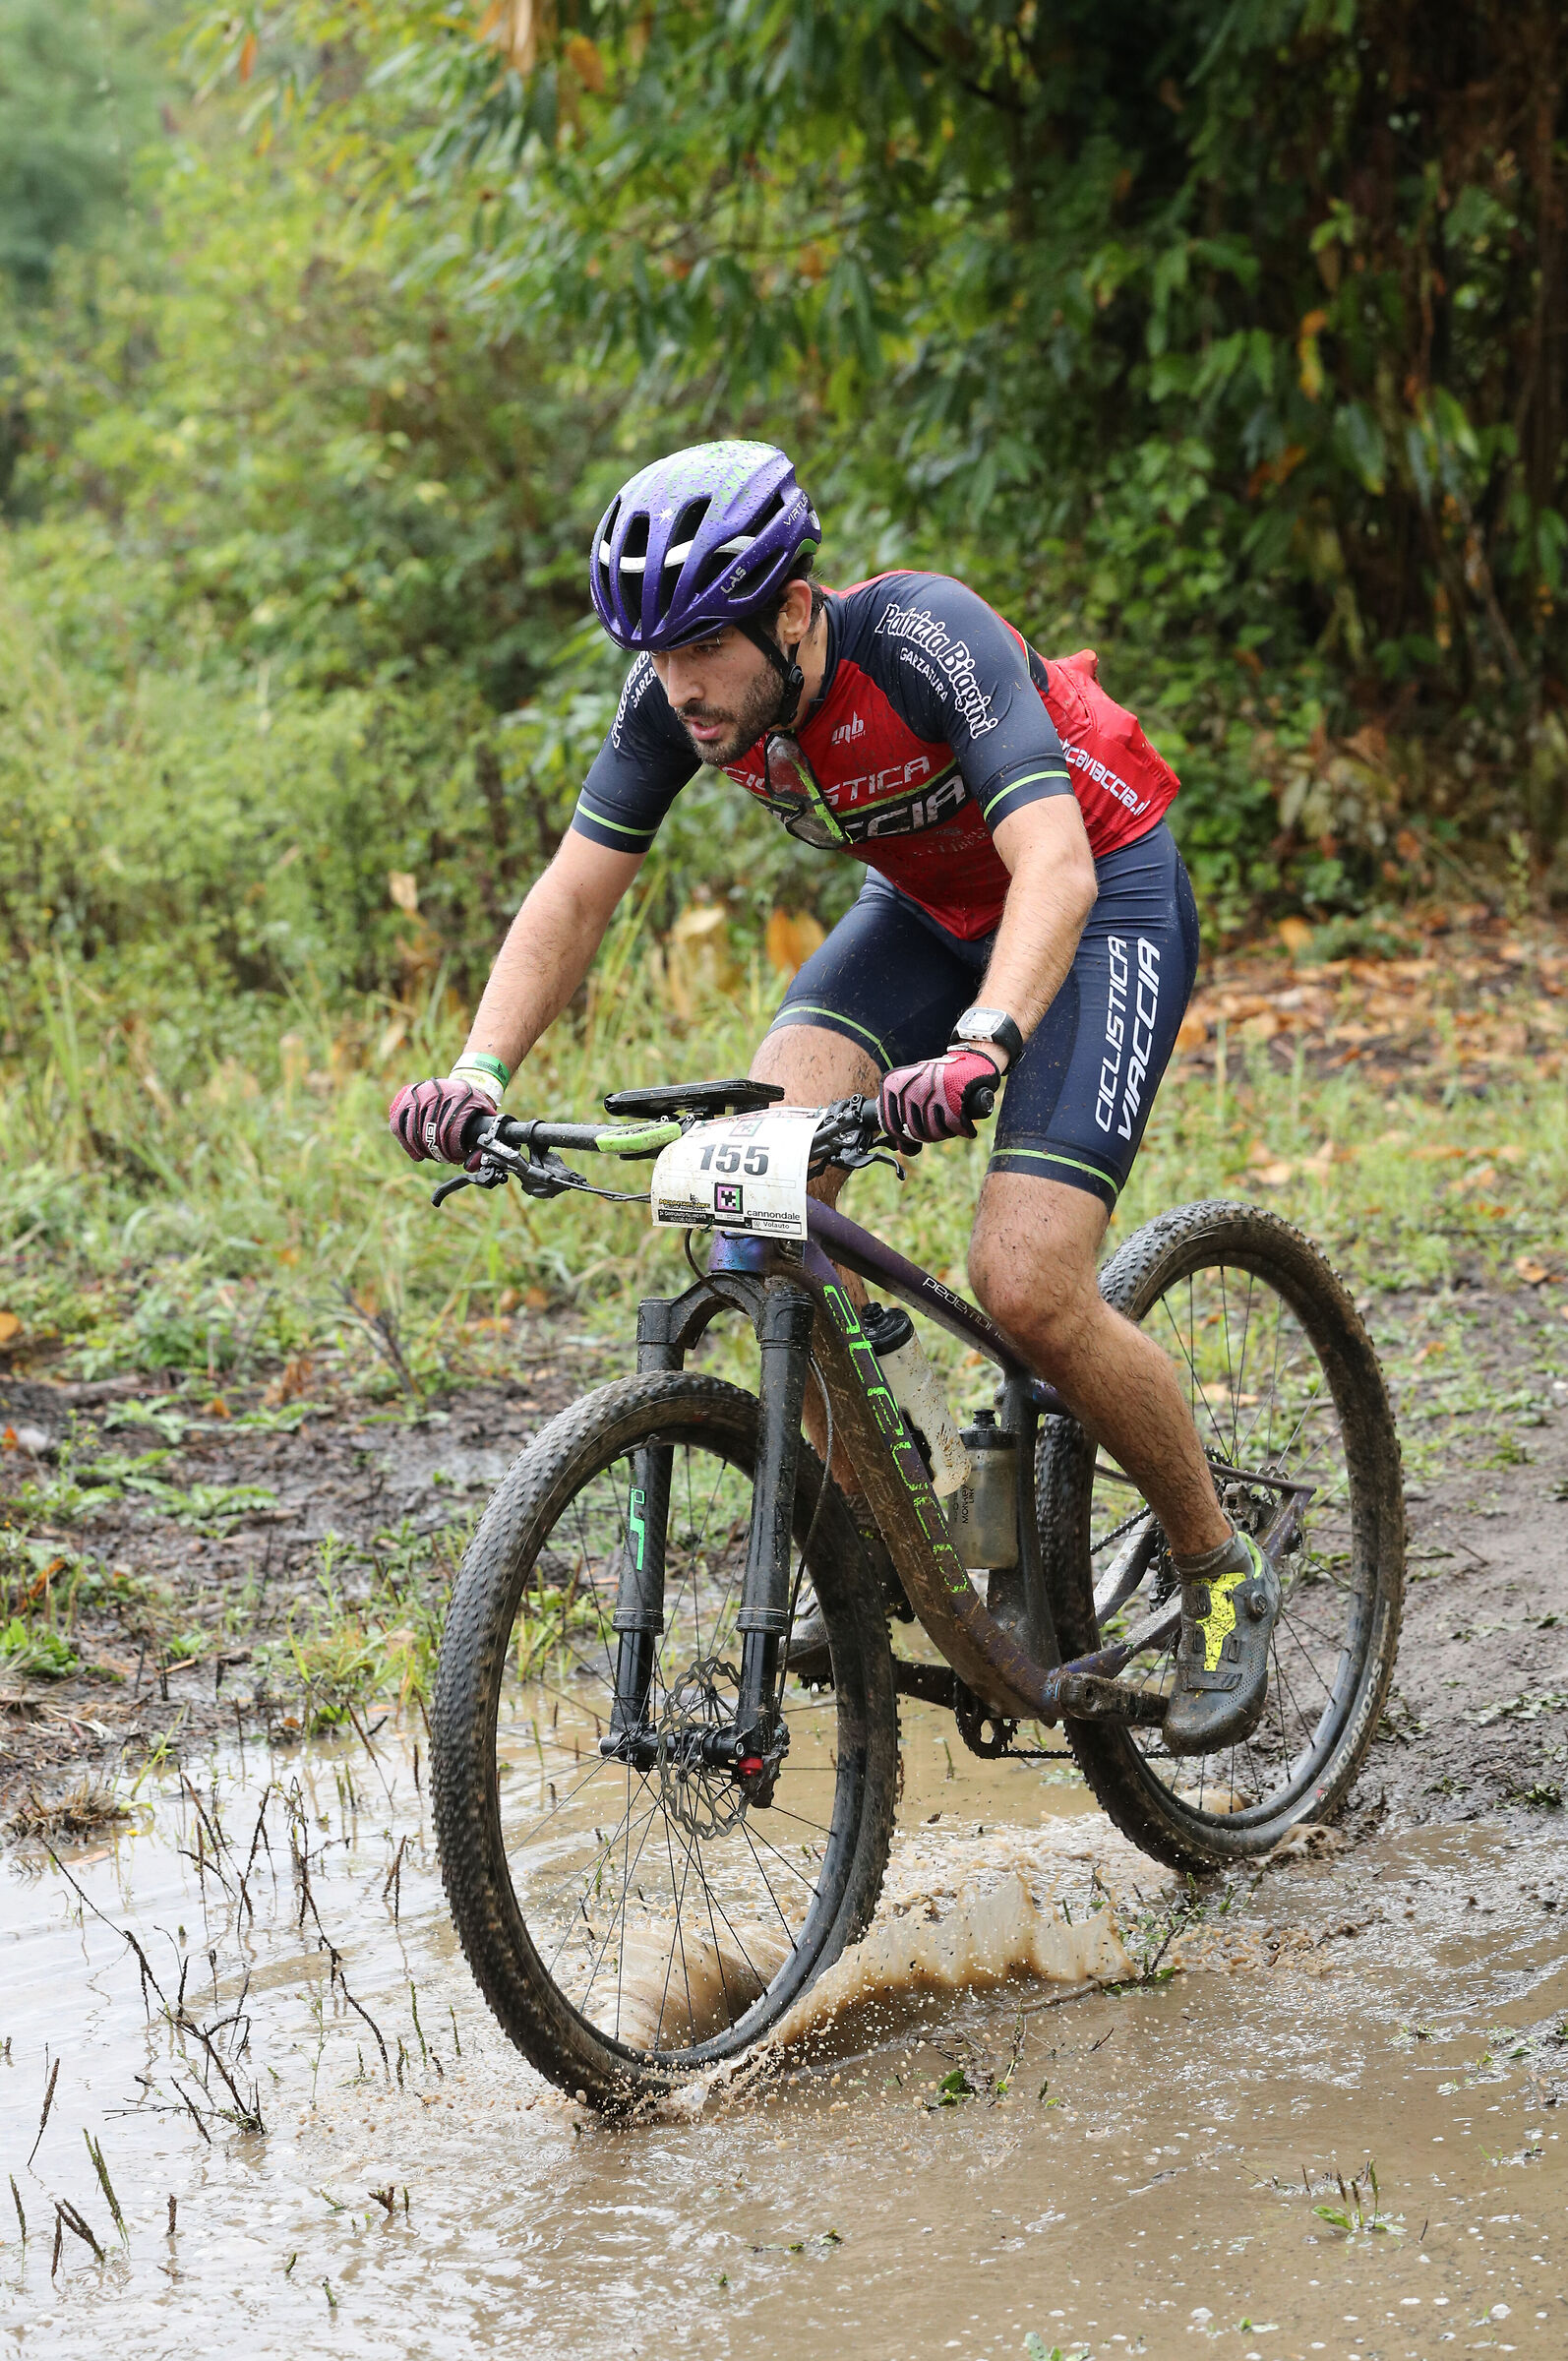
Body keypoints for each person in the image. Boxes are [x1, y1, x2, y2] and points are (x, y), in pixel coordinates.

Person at [389, 441, 1279, 1753]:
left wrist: (984, 1043)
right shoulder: (674, 705)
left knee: (1026, 1283)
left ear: (792, 612)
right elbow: (575, 893)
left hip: (1097, 898)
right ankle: (890, 1506)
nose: (679, 687)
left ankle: (1217, 1569)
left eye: (702, 648)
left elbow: (1052, 864)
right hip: (921, 912)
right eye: (655, 654)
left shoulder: (926, 638)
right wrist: (478, 1069)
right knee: (754, 1190)